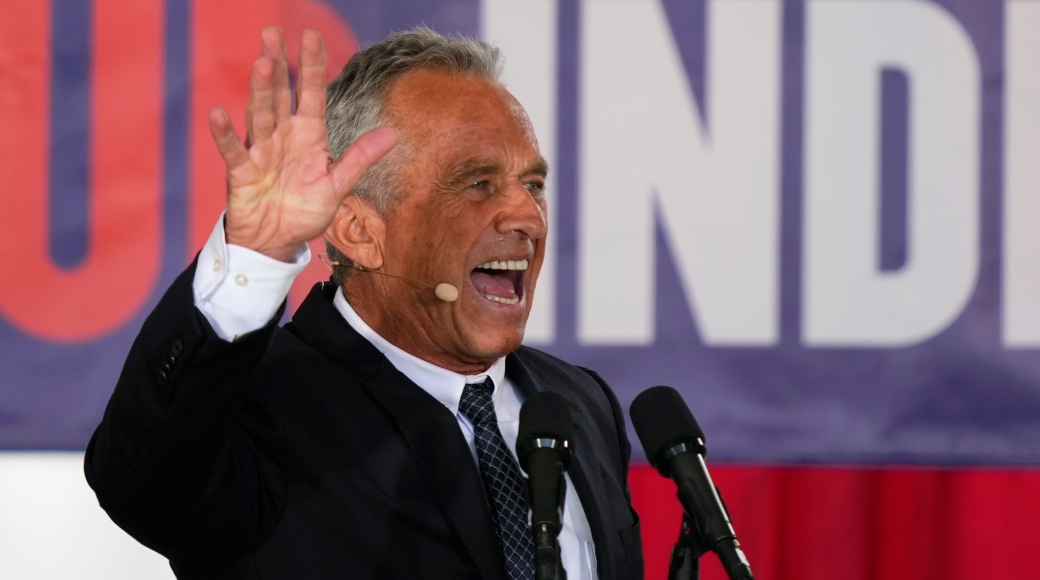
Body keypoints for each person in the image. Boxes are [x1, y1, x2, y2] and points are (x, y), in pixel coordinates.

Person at [84, 26, 642, 580]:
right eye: (478, 184)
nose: (528, 217)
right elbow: (136, 479)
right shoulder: (259, 409)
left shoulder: (580, 402)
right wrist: (256, 253)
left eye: (534, 185)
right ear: (358, 231)